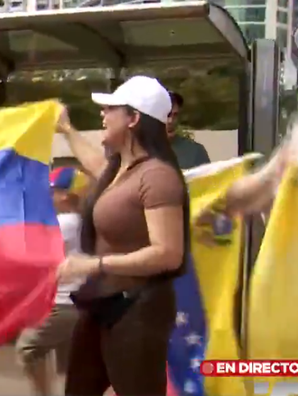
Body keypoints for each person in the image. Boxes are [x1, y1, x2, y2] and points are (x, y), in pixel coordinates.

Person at [55, 75, 190, 396]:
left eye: (110, 108)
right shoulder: (119, 171)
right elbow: (94, 164)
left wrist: (95, 265)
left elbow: (168, 253)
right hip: (103, 305)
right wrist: (67, 130)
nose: (103, 114)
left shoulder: (157, 176)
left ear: (133, 118)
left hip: (137, 310)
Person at [16, 167, 87, 396]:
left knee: (28, 348)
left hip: (63, 303)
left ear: (66, 195)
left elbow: (30, 252)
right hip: (76, 301)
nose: (48, 196)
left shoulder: (65, 222)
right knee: (69, 366)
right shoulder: (80, 221)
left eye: (52, 191)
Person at [166, 91, 210, 169]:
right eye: (167, 115)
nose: (171, 120)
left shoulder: (195, 151)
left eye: (175, 115)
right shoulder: (140, 150)